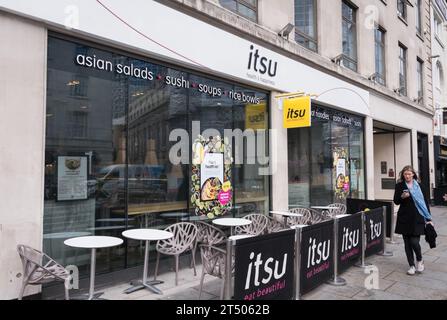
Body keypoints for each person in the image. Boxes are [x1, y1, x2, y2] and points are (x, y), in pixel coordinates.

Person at [393, 165, 434, 275]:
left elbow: (425, 202)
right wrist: (402, 197)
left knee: (414, 242)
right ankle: (411, 265)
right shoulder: (399, 186)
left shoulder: (419, 186)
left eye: (409, 174)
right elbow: (396, 201)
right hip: (404, 218)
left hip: (418, 217)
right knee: (407, 244)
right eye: (405, 174)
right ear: (403, 175)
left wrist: (428, 218)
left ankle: (420, 260)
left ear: (413, 174)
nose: (407, 176)